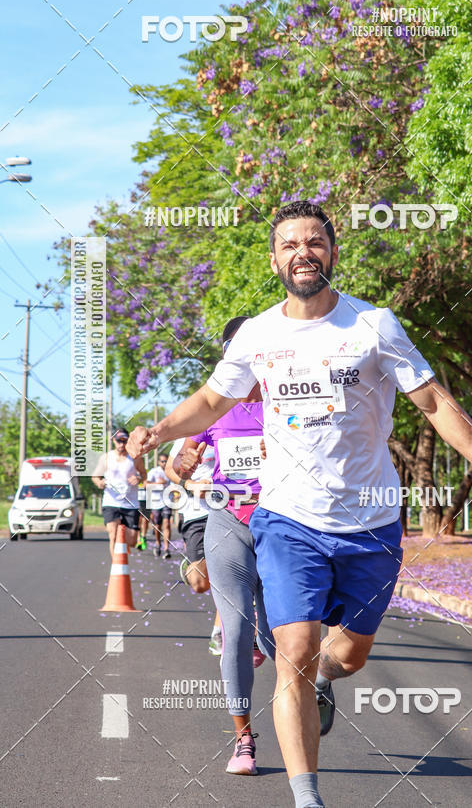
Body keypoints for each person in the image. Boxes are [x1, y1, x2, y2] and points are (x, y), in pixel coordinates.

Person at [127, 201, 472, 807]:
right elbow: (210, 400)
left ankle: (327, 681)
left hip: (371, 521)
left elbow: (433, 402)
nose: (302, 252)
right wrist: (161, 431)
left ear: (332, 253)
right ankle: (308, 798)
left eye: (314, 242)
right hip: (287, 519)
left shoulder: (373, 326)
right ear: (274, 258)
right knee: (294, 656)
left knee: (349, 656)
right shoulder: (258, 334)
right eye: (289, 244)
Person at [173, 315, 274, 776]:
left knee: (283, 640)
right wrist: (185, 460)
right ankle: (243, 740)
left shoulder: (287, 399)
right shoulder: (214, 408)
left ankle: (315, 686)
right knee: (234, 633)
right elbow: (178, 464)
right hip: (228, 519)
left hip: (283, 525)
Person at [164, 437, 223, 656]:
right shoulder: (187, 435)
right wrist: (191, 485)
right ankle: (191, 564)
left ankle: (218, 630)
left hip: (229, 511)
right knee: (200, 583)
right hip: (196, 513)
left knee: (225, 574)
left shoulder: (231, 425)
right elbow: (170, 469)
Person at [93, 427, 146, 558]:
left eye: (124, 441)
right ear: (113, 440)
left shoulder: (135, 458)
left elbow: (144, 475)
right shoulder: (106, 457)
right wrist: (99, 483)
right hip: (111, 501)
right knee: (113, 534)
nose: (121, 444)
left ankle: (123, 554)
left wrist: (138, 478)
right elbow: (95, 476)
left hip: (130, 503)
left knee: (132, 540)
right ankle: (116, 566)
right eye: (119, 441)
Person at [146, 453, 171, 558]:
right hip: (156, 502)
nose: (164, 463)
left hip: (167, 501)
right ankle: (157, 543)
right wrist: (158, 484)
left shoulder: (170, 471)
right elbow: (145, 484)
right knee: (157, 526)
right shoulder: (154, 472)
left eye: (166, 461)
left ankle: (166, 548)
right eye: (162, 461)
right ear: (158, 462)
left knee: (167, 524)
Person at [136, 477, 150, 550]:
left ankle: (143, 536)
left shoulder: (148, 473)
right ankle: (138, 538)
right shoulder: (132, 472)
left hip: (147, 499)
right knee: (138, 520)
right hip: (136, 499)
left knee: (145, 520)